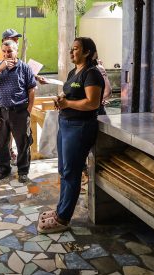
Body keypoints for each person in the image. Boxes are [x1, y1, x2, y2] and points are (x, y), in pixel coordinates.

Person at [37, 37, 105, 234]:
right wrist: (62, 99)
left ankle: (63, 218)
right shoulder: (73, 72)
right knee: (63, 170)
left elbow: (93, 103)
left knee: (71, 172)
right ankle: (60, 210)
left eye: (76, 49)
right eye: (71, 48)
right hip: (65, 124)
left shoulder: (92, 74)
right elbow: (71, 95)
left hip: (80, 127)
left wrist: (68, 104)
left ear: (87, 52)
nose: (71, 52)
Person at [0, 40, 37, 183]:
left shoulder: (25, 68)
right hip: (1, 111)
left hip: (19, 111)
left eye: (9, 51)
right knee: (0, 141)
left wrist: (28, 110)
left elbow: (31, 89)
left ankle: (23, 171)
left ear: (16, 51)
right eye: (4, 52)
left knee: (23, 142)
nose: (7, 54)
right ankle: (3, 169)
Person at [0, 28, 23, 165]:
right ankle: (7, 156)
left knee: (9, 130)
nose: (16, 41)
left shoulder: (10, 52)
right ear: (4, 41)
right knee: (3, 132)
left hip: (10, 100)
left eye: (16, 39)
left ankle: (10, 155)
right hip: (3, 99)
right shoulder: (2, 54)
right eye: (13, 39)